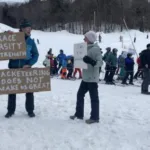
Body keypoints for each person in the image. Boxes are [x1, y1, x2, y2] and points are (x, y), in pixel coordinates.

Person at [5, 19, 39, 118]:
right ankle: (10, 110)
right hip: (13, 67)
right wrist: (6, 34)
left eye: (30, 28)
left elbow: (36, 54)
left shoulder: (31, 42)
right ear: (22, 29)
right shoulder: (12, 38)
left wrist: (29, 64)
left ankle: (30, 110)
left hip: (26, 68)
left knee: (29, 90)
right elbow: (2, 42)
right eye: (27, 28)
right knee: (12, 90)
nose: (30, 30)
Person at [70, 31, 103, 124]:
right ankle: (79, 114)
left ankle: (95, 117)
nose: (84, 39)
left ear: (90, 39)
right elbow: (82, 60)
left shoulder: (95, 49)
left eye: (85, 38)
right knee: (80, 94)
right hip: (85, 77)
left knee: (94, 98)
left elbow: (100, 62)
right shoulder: (84, 48)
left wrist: (91, 61)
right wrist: (76, 60)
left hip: (92, 78)